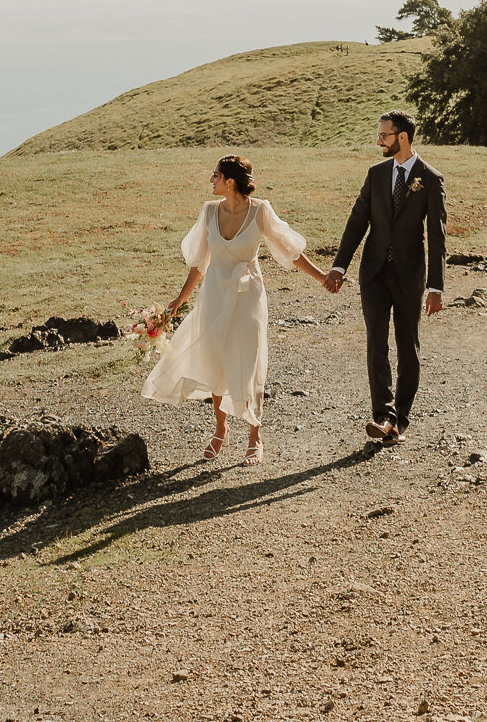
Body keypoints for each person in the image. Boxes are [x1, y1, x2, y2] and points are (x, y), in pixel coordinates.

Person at [142, 154, 334, 465]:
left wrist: (321, 276)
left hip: (248, 296)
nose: (212, 181)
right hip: (215, 294)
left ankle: (255, 436)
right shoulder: (209, 212)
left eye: (215, 176)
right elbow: (199, 263)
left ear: (230, 181)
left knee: (248, 360)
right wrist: (179, 299)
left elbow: (290, 251)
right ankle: (220, 429)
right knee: (214, 358)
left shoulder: (261, 211)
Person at [324, 110, 444, 444]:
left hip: (409, 274)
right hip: (373, 272)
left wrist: (436, 286)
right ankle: (382, 416)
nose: (379, 141)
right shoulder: (376, 174)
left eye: (384, 136)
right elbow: (357, 221)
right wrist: (339, 266)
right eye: (379, 135)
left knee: (408, 345)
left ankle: (399, 422)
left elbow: (437, 236)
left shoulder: (430, 178)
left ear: (402, 137)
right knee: (376, 341)